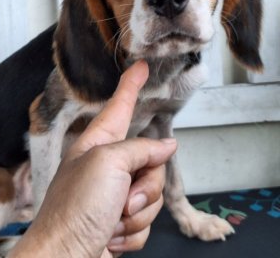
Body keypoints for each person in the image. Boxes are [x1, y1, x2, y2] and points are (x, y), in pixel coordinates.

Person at [9, 61, 177, 257]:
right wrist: (47, 227)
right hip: (7, 176)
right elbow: (41, 118)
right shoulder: (85, 62)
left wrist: (67, 243)